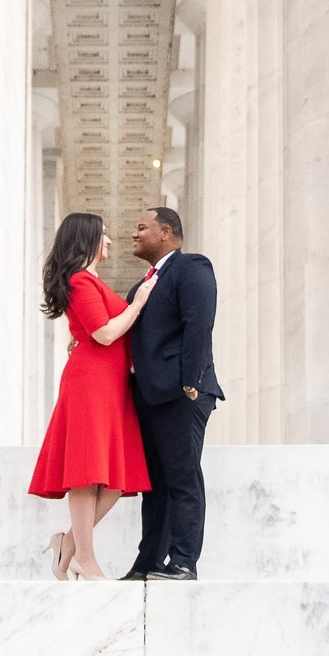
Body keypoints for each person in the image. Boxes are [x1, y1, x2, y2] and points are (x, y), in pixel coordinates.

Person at [27, 211, 157, 580]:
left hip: (110, 383)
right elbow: (103, 333)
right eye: (103, 235)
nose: (111, 242)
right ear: (87, 239)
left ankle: (68, 544)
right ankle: (84, 555)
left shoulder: (88, 282)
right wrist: (138, 302)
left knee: (116, 477)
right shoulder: (81, 280)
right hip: (91, 382)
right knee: (87, 471)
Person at [118, 206, 221, 580]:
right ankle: (148, 563)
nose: (134, 234)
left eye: (141, 228)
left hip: (182, 394)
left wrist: (190, 382)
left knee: (182, 478)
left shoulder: (193, 268)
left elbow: (199, 324)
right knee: (155, 487)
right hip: (149, 399)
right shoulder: (139, 287)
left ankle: (183, 563)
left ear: (165, 232)